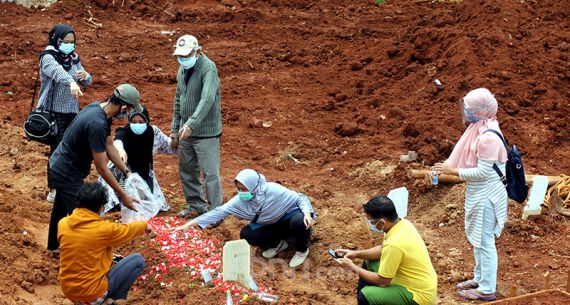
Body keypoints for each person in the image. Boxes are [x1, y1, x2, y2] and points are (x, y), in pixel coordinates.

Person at [47, 83, 143, 252]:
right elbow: (101, 167)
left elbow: (110, 146)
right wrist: (123, 195)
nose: (128, 113)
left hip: (61, 164)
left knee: (61, 206)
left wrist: (127, 172)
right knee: (84, 216)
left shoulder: (99, 109)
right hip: (67, 171)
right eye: (129, 109)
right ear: (123, 106)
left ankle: (55, 247)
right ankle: (85, 253)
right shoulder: (97, 124)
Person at [433, 88, 507, 301]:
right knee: (478, 240)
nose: (465, 110)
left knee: (485, 243)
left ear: (480, 110)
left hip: (487, 195)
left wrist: (452, 172)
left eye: (469, 107)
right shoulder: (479, 128)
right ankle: (479, 277)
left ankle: (486, 289)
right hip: (479, 192)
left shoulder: (487, 138)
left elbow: (483, 172)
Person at [175, 169, 316, 268]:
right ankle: (278, 244)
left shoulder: (273, 190)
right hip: (271, 225)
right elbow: (219, 212)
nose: (241, 193)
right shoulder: (239, 201)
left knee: (299, 221)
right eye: (239, 189)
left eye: (244, 189)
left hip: (289, 218)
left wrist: (307, 213)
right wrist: (190, 224)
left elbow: (300, 198)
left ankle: (302, 249)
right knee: (247, 234)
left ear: (254, 186)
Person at [335, 196, 437, 305]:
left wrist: (352, 267)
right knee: (369, 261)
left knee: (364, 296)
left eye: (371, 222)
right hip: (419, 282)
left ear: (382, 222)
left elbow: (383, 281)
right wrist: (355, 254)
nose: (370, 224)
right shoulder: (403, 224)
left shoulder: (394, 243)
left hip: (418, 295)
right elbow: (382, 249)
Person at [58, 181, 148, 305]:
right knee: (137, 260)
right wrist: (145, 225)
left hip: (68, 290)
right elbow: (127, 230)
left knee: (109, 257)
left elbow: (84, 241)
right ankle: (108, 300)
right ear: (101, 206)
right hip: (91, 293)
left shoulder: (63, 223)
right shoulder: (104, 230)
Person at [39, 24, 93, 203]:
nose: (69, 45)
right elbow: (56, 72)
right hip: (54, 111)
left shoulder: (73, 58)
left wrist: (84, 76)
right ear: (56, 40)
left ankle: (68, 183)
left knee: (73, 148)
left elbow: (88, 81)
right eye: (65, 41)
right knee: (57, 149)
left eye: (72, 42)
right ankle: (54, 189)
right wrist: (70, 81)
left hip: (71, 111)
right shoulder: (48, 57)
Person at [171, 34, 223, 218]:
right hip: (186, 132)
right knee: (187, 171)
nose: (183, 59)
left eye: (186, 55)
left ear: (198, 52)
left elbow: (207, 98)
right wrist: (174, 130)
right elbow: (179, 99)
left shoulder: (208, 68)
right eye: (180, 56)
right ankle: (196, 205)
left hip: (205, 133)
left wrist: (192, 123)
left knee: (210, 174)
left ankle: (215, 212)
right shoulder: (182, 70)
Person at [98, 107, 178, 214]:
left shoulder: (153, 132)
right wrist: (121, 151)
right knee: (113, 197)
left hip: (143, 172)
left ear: (147, 121)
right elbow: (117, 142)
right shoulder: (125, 131)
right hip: (121, 170)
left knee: (148, 204)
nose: (137, 124)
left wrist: (175, 141)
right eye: (134, 122)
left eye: (141, 122)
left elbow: (169, 146)